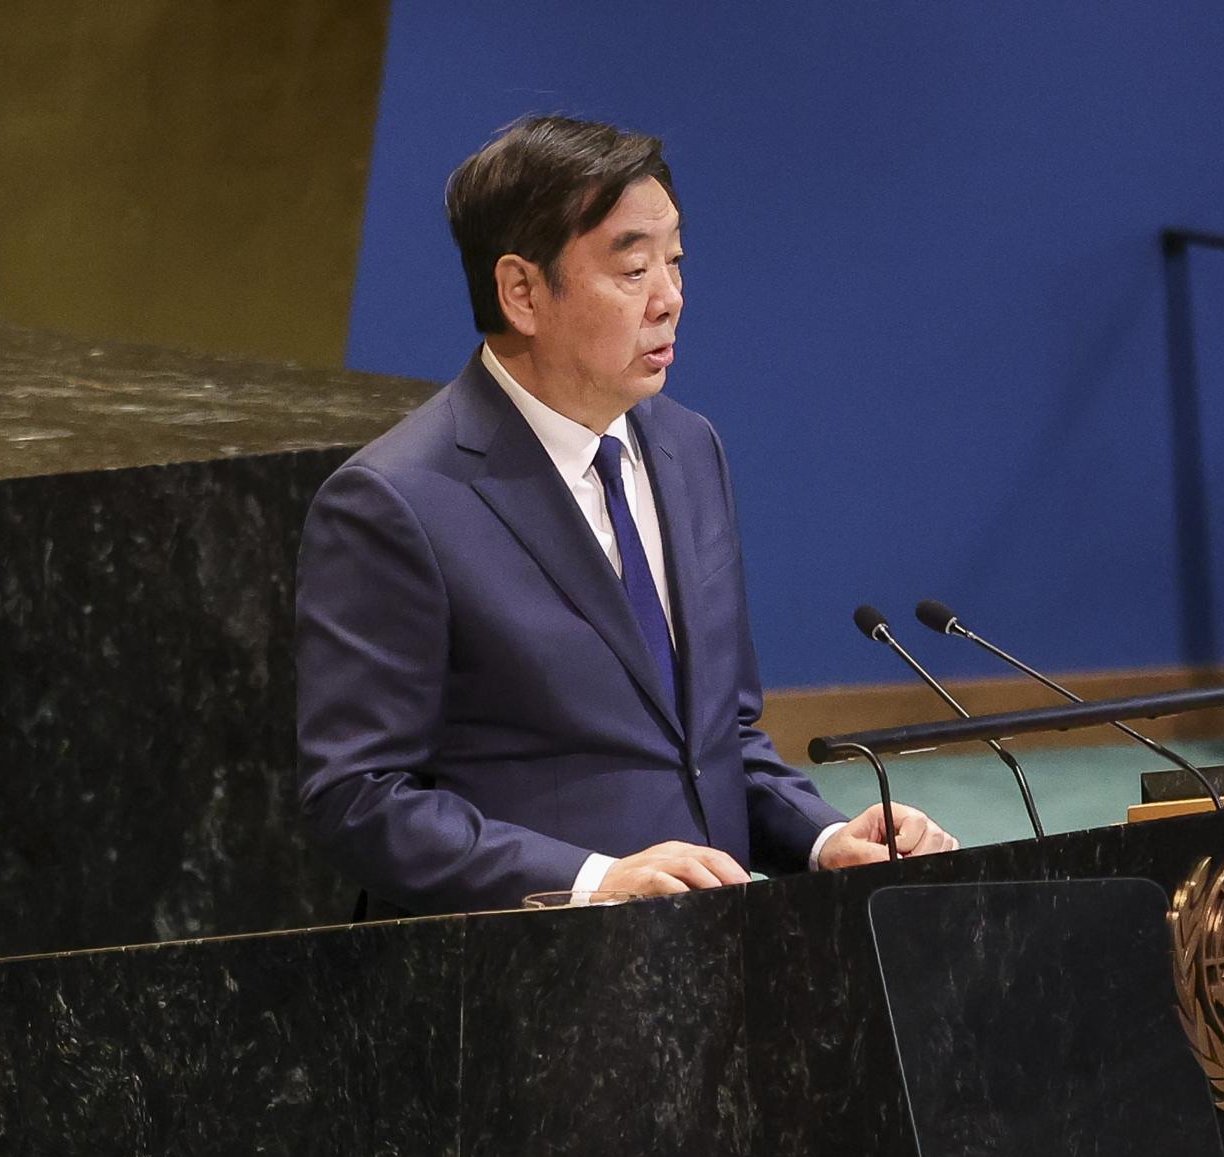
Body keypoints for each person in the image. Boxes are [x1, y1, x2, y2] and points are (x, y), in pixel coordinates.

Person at [295, 116, 958, 913]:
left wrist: (823, 838)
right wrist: (591, 881)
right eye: (634, 268)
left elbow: (719, 744)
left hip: (716, 955)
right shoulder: (395, 500)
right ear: (522, 291)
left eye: (675, 262)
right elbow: (359, 797)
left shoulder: (688, 449)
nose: (670, 299)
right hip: (524, 976)